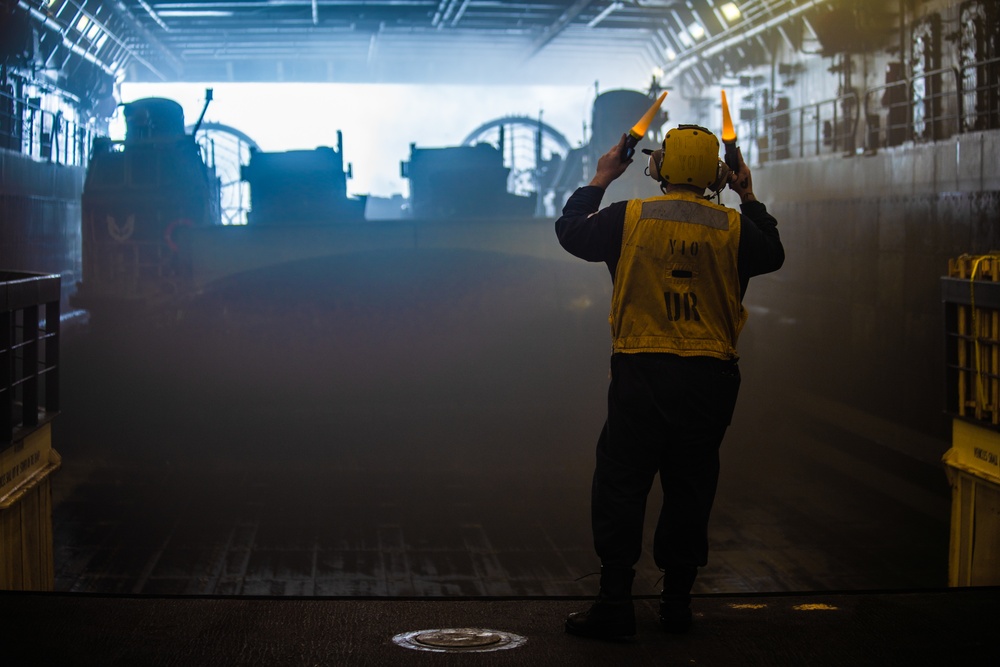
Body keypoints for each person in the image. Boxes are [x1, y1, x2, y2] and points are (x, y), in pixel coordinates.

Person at [555, 126, 784, 640]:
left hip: (642, 370)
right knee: (691, 485)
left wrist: (599, 178)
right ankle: (676, 604)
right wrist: (747, 196)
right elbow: (774, 253)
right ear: (718, 175)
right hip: (711, 376)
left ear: (657, 168)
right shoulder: (734, 229)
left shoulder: (629, 217)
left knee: (621, 482)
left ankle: (615, 604)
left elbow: (570, 231)